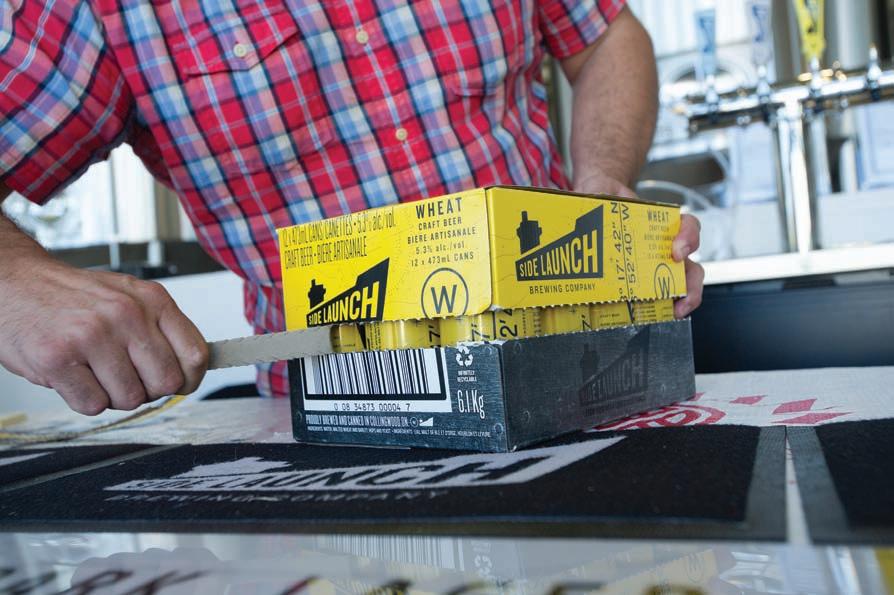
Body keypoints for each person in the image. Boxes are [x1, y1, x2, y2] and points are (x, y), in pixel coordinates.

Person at [0, 0, 703, 415]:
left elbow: (605, 36)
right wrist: (16, 282)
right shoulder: (96, 13)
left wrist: (602, 187)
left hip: (578, 364)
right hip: (341, 415)